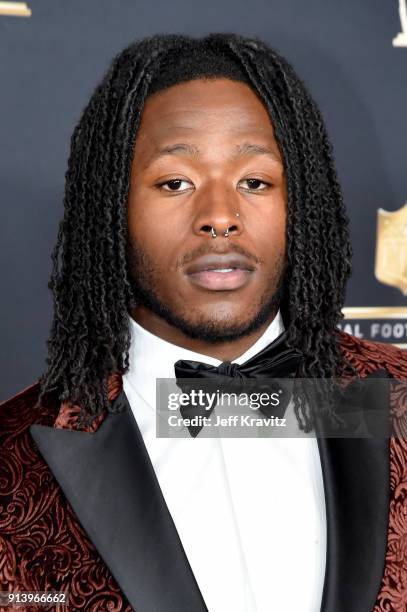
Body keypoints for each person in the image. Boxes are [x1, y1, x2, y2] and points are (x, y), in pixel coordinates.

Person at [1, 32, 406, 612]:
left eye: (254, 182)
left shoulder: (396, 400)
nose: (220, 216)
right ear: (110, 204)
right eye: (175, 183)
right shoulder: (12, 458)